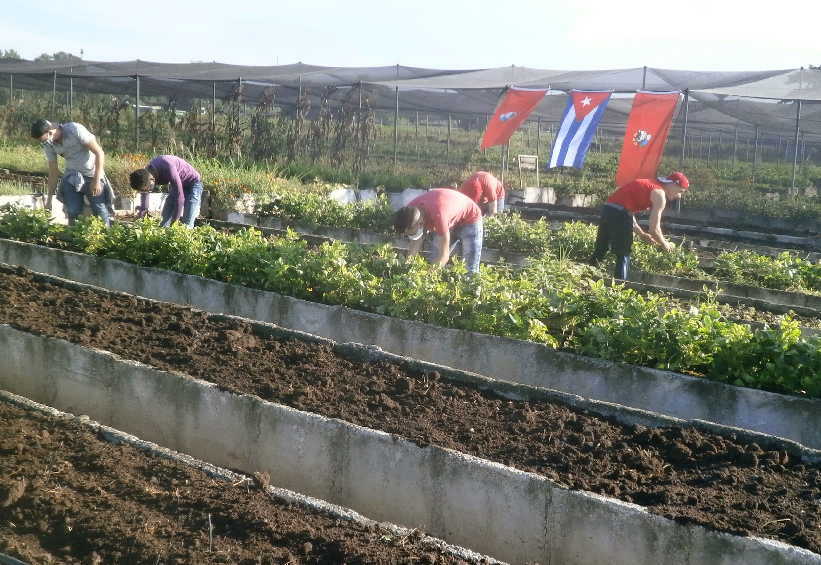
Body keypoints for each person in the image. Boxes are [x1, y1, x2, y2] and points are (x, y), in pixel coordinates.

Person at [590, 172, 690, 279]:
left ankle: (588, 276)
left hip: (608, 209)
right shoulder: (659, 194)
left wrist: (641, 234)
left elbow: (625, 209)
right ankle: (621, 287)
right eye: (680, 191)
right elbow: (654, 229)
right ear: (673, 184)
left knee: (601, 247)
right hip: (619, 212)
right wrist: (665, 245)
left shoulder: (650, 184)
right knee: (623, 253)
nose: (679, 195)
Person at [30, 119, 114, 226]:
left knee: (99, 209)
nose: (44, 143)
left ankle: (105, 236)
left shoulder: (74, 129)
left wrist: (96, 180)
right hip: (72, 177)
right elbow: (53, 171)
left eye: (44, 140)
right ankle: (74, 238)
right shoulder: (48, 144)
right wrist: (49, 199)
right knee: (72, 211)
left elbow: (99, 153)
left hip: (92, 174)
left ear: (50, 133)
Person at [394, 188, 483, 273]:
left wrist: (427, 276)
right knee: (434, 258)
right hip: (449, 213)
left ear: (420, 224)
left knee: (470, 267)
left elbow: (444, 256)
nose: (410, 236)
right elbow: (415, 242)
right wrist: (407, 267)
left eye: (411, 233)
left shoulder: (438, 216)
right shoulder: (409, 212)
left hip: (470, 218)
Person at [129, 155, 203, 228]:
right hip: (178, 184)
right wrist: (143, 210)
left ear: (152, 180)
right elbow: (145, 193)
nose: (148, 191)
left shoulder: (168, 167)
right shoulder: (145, 175)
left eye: (148, 188)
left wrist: (174, 223)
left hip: (193, 183)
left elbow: (180, 199)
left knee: (187, 222)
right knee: (164, 220)